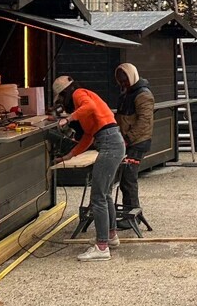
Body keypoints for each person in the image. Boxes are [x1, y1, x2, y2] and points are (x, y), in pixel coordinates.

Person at [52, 75, 124, 262]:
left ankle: (101, 248)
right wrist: (68, 156)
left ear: (64, 93)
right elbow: (88, 137)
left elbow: (88, 108)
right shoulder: (83, 101)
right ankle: (111, 236)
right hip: (112, 141)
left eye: (60, 99)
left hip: (109, 143)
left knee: (98, 196)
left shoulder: (78, 94)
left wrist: (68, 119)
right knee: (105, 194)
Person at [114, 62, 155, 219]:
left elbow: (144, 122)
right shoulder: (130, 93)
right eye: (121, 81)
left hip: (136, 142)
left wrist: (127, 138)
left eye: (125, 80)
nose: (123, 84)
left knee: (128, 179)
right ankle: (131, 214)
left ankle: (132, 215)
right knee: (126, 179)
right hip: (131, 140)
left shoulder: (143, 95)